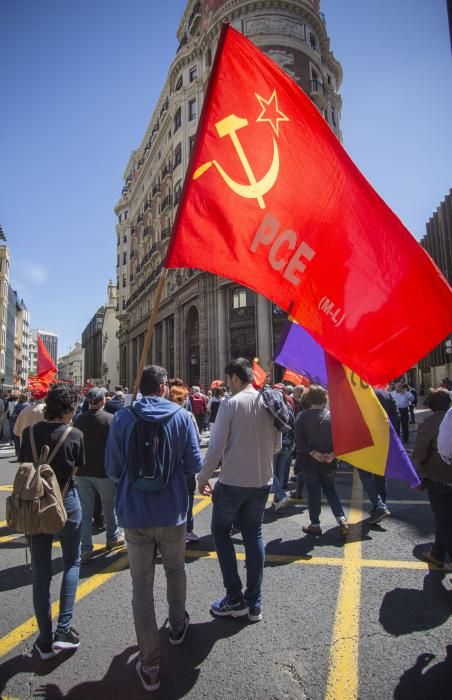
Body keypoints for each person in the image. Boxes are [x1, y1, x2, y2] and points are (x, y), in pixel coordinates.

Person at [105, 365, 202, 693]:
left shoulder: (122, 417)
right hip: (173, 512)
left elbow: (113, 469)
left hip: (134, 514)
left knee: (141, 587)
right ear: (163, 387)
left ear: (141, 387)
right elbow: (193, 466)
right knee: (175, 570)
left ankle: (149, 663)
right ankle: (177, 626)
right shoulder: (182, 416)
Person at [197, 357, 281, 622]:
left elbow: (216, 448)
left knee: (221, 533)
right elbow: (277, 445)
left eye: (228, 380)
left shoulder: (230, 404)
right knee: (254, 535)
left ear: (235, 377)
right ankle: (254, 602)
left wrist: (203, 477)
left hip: (233, 482)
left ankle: (234, 598)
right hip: (262, 480)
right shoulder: (269, 402)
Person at [19, 384, 85, 659]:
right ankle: (64, 630)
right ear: (69, 408)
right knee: (71, 562)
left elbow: (24, 464)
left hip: (35, 505)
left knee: (40, 574)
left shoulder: (29, 433)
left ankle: (44, 639)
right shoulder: (75, 434)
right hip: (65, 504)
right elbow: (78, 467)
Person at [73, 387, 124, 563]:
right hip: (104, 471)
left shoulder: (79, 419)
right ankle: (112, 537)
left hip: (82, 471)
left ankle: (85, 548)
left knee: (85, 511)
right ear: (103, 401)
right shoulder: (111, 419)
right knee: (109, 507)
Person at [295, 385, 349, 537]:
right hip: (329, 461)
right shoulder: (333, 416)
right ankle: (342, 519)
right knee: (330, 490)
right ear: (324, 399)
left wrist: (313, 452)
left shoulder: (303, 416)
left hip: (310, 462)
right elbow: (341, 439)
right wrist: (333, 454)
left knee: (313, 493)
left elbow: (298, 440)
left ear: (309, 399)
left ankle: (315, 524)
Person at [412, 388, 452, 568]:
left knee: (444, 521)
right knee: (443, 518)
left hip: (440, 478)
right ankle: (437, 553)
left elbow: (420, 454)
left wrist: (418, 474)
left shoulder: (429, 423)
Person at [168, 384, 201, 543]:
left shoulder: (160, 414)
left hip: (166, 467)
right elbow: (196, 441)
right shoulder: (187, 415)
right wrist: (196, 468)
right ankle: (187, 529)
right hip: (184, 467)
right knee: (187, 497)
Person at [270, 384, 295, 512]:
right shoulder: (289, 406)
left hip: (276, 444)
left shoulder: (272, 408)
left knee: (271, 472)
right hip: (289, 443)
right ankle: (277, 500)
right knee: (279, 472)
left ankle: (280, 495)